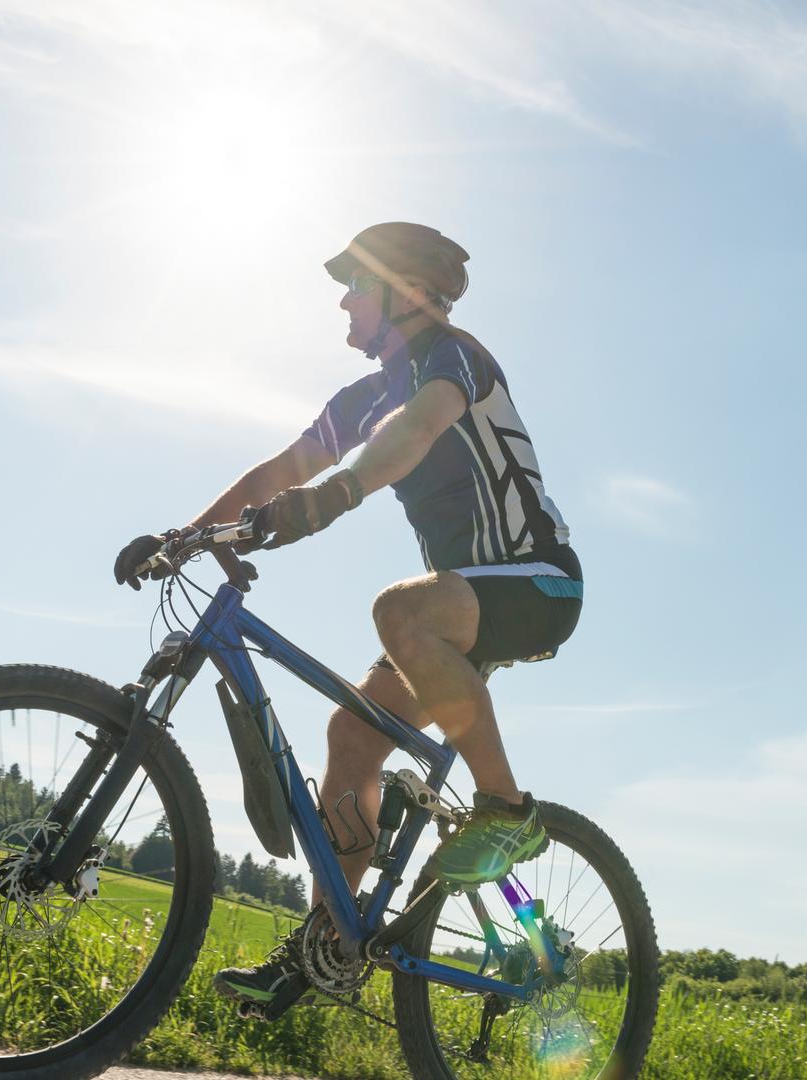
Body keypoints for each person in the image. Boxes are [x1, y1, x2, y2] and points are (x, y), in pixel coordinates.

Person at [112, 222, 582, 1016]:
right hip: (461, 603)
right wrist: (186, 536)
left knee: (399, 609)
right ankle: (328, 941)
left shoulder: (453, 358)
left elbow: (415, 432)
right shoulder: (361, 397)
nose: (342, 300)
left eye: (355, 285)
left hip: (537, 586)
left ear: (403, 291)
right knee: (352, 736)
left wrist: (331, 499)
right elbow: (281, 470)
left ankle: (507, 813)